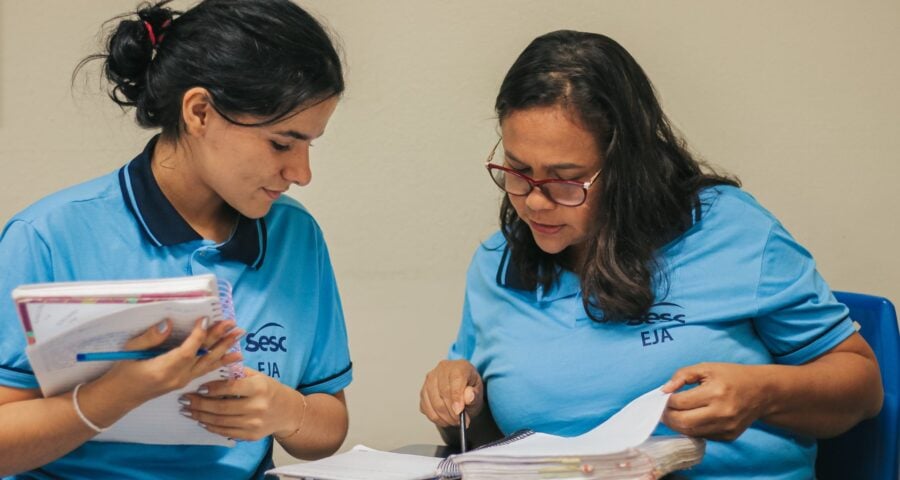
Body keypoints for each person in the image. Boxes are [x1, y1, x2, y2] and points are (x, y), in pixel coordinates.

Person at [419, 30, 883, 479]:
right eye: (518, 172)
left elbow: (862, 390)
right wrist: (463, 408)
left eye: (566, 178)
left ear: (625, 168)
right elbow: (490, 447)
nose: (535, 202)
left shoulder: (731, 230)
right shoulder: (496, 263)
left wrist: (763, 393)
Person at [0, 0, 352, 477]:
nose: (301, 173)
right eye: (281, 143)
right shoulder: (46, 237)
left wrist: (285, 411)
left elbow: (328, 428)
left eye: (310, 144)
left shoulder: (296, 236)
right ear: (200, 112)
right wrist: (110, 397)